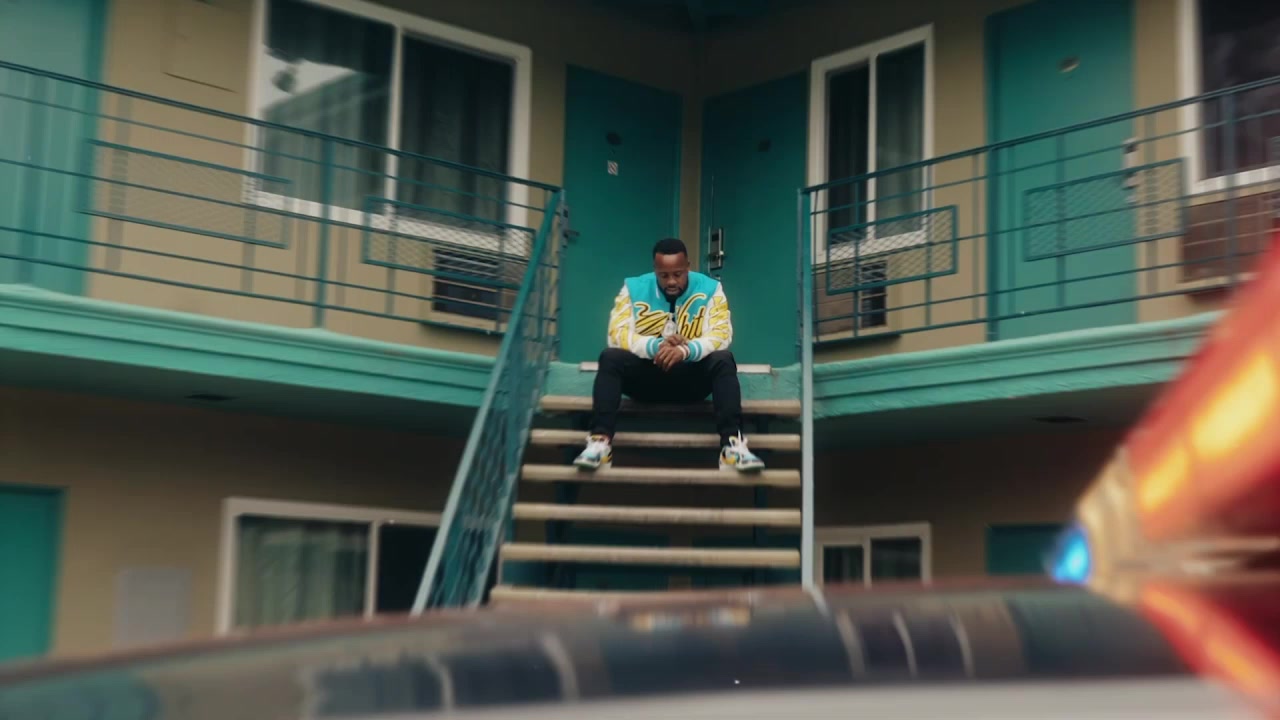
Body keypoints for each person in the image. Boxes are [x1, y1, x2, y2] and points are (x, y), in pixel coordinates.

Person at [574, 237, 765, 473]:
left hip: (691, 383)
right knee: (610, 357)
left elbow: (721, 333)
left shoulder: (710, 289)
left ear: (688, 267)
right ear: (655, 270)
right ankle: (600, 444)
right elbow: (616, 333)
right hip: (646, 381)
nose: (671, 281)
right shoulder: (633, 288)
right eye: (663, 275)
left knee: (723, 359)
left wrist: (685, 350)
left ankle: (732, 446)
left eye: (678, 274)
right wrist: (657, 346)